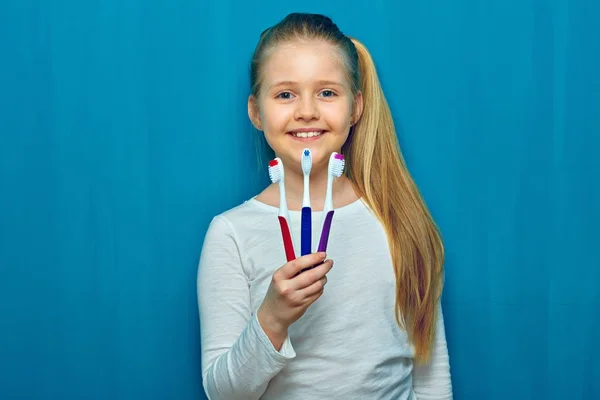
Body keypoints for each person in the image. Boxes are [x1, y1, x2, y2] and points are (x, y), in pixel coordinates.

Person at [197, 12, 452, 400]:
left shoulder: (399, 221)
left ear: (355, 108)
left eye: (327, 93)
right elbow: (223, 393)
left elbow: (430, 376)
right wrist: (273, 317)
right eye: (285, 94)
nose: (307, 111)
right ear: (255, 112)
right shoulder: (230, 234)